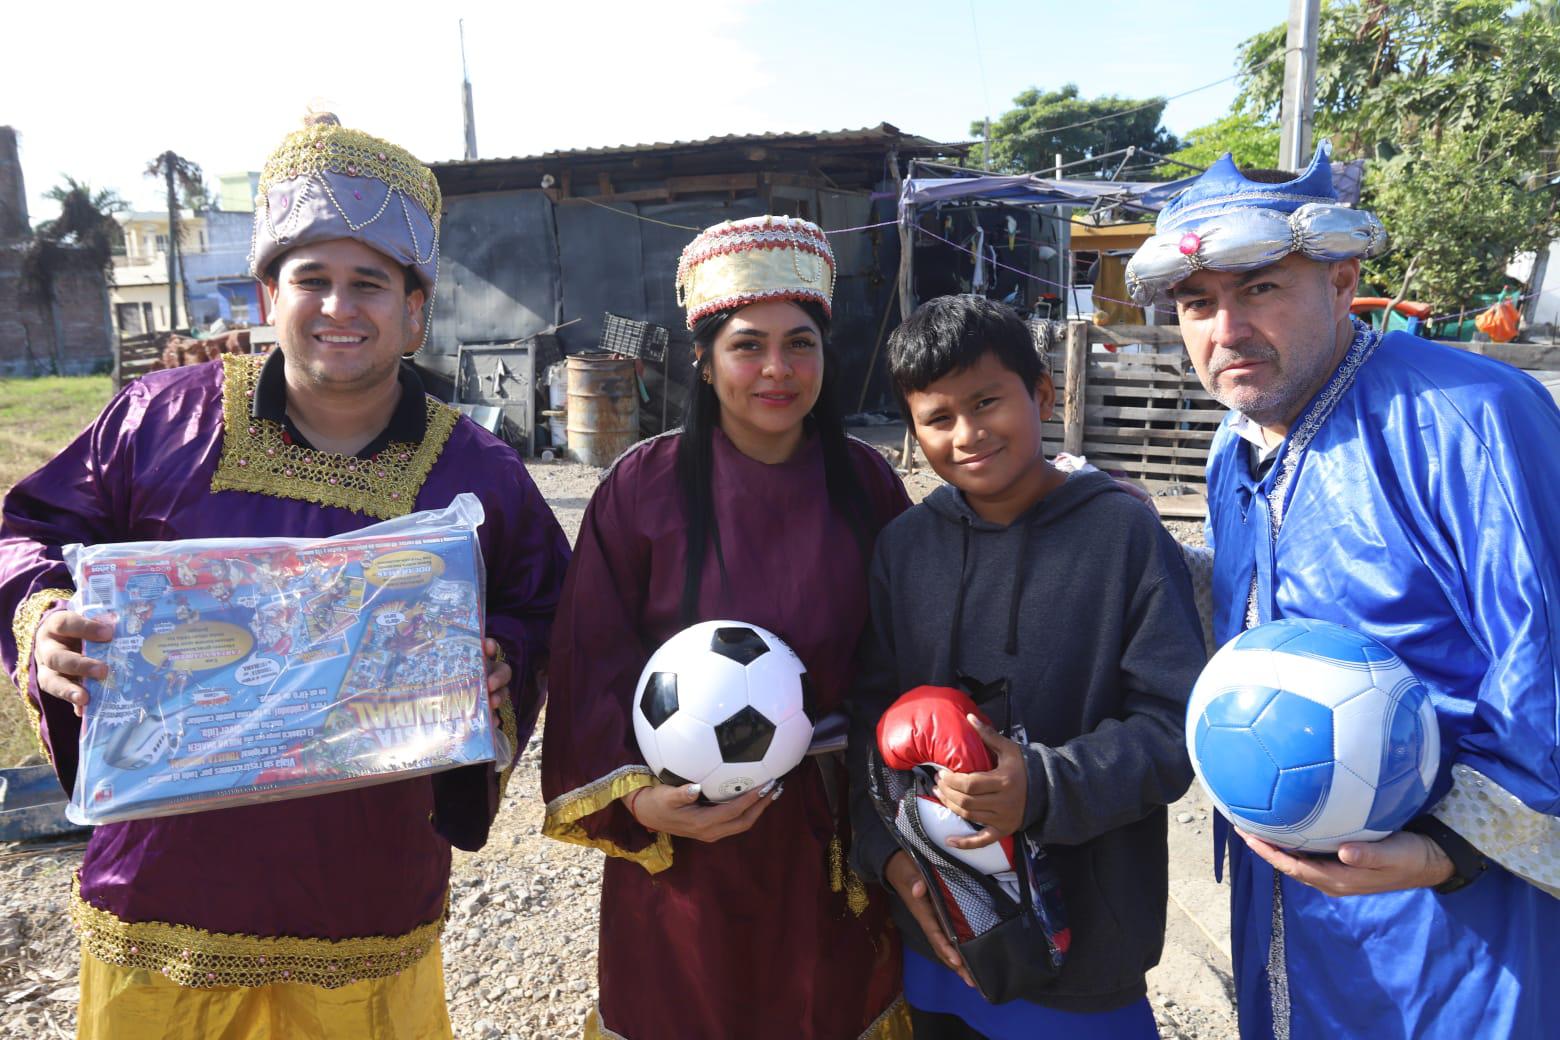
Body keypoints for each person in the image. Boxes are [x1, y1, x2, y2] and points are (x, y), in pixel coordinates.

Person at [0, 113, 571, 1039]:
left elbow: (549, 606)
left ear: (416, 310)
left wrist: (501, 661)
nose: (339, 307)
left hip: (367, 899)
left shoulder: (479, 472)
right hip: (160, 892)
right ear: (269, 294)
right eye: (313, 279)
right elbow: (27, 531)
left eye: (370, 284)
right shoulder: (155, 422)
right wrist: (45, 619)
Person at [1124, 143, 1560, 1039]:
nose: (1226, 330)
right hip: (1287, 891)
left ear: (1342, 280)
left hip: (1455, 926)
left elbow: (1545, 654)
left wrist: (1447, 853)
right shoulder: (1233, 444)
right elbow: (1254, 611)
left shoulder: (1470, 419)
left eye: (1260, 289)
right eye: (1198, 304)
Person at [540, 215, 912, 1039]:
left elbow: (915, 646)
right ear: (705, 363)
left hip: (831, 842)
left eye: (801, 343)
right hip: (686, 843)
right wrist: (640, 807)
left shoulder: (866, 485)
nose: (777, 369)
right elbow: (589, 663)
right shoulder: (642, 489)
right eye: (749, 345)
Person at [847, 294, 1205, 1039]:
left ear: (1042, 393)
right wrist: (885, 855)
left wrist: (1042, 785)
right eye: (938, 418)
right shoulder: (904, 548)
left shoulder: (1122, 534)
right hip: (943, 924)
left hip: (1091, 939)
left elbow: (1174, 726)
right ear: (912, 432)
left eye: (987, 402)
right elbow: (867, 714)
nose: (969, 434)